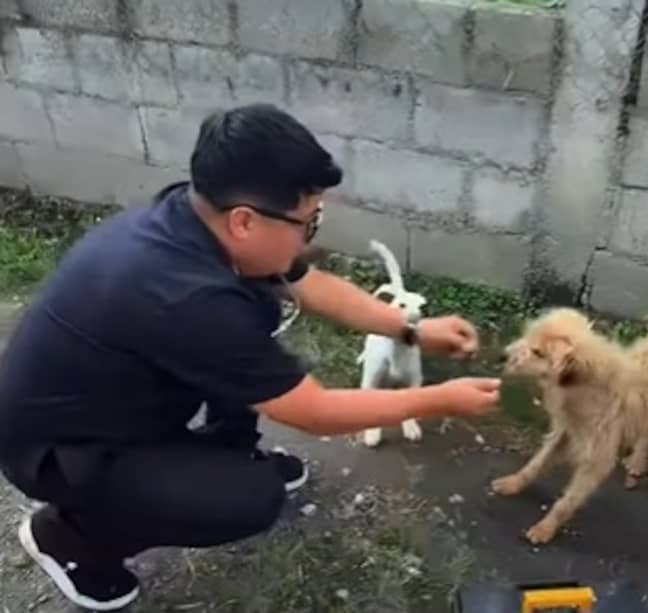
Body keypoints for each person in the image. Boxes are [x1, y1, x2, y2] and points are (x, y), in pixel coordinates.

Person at [0, 103, 501, 611]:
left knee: (258, 309)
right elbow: (314, 411)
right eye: (309, 222)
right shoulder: (189, 296)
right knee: (249, 498)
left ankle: (220, 452)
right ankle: (72, 539)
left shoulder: (194, 217)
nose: (311, 234)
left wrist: (411, 330)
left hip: (113, 401)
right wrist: (438, 399)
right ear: (244, 221)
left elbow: (309, 282)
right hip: (57, 450)